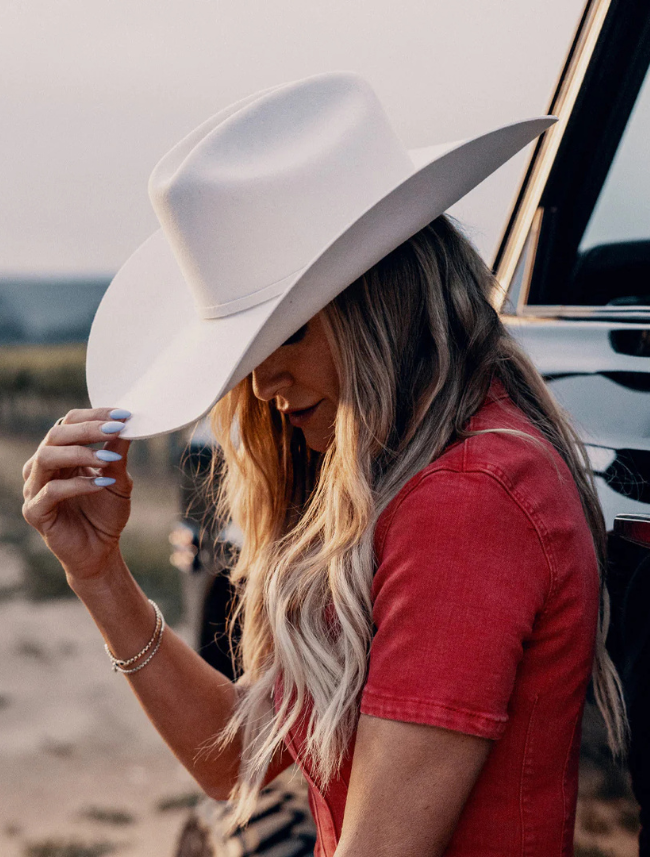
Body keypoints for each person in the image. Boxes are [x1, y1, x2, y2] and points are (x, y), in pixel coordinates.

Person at [21, 73, 627, 856]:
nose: (264, 387)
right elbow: (239, 756)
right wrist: (98, 574)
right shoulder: (402, 481)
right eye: (248, 355)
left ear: (382, 296)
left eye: (290, 336)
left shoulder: (468, 501)